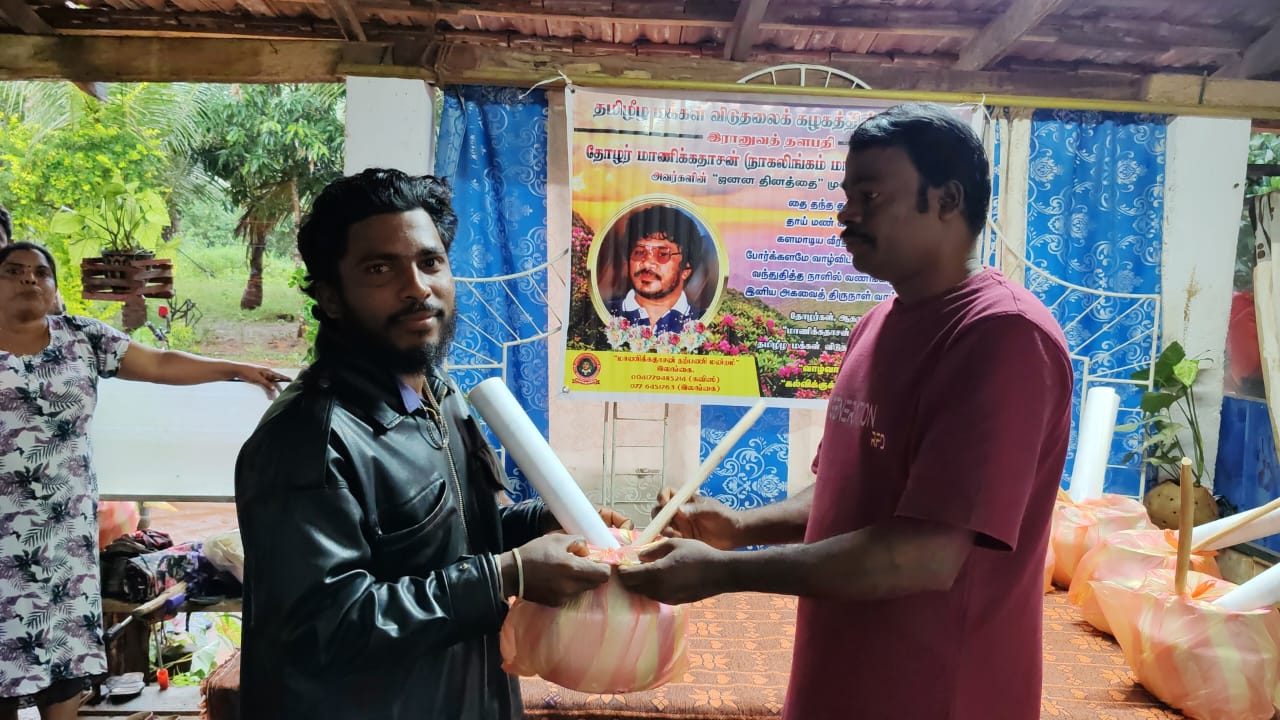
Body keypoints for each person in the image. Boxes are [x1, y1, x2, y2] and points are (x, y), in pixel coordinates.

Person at [618, 103, 1074, 720]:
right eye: (846, 194)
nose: (846, 213)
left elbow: (924, 554)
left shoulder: (1002, 338)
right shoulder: (877, 324)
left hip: (937, 692)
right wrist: (739, 529)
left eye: (871, 195)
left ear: (946, 200)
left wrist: (722, 574)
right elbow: (844, 489)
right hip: (842, 674)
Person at [235, 168, 621, 720]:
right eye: (379, 268)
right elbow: (324, 627)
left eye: (430, 262)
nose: (417, 287)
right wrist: (506, 575)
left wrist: (545, 523)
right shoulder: (308, 440)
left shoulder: (439, 394)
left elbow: (451, 534)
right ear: (331, 297)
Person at [0, 241, 288, 720]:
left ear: (53, 288)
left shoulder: (81, 337)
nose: (29, 278)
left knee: (63, 666)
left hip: (62, 541)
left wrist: (237, 369)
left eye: (40, 272)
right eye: (13, 270)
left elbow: (160, 363)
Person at [603, 204, 706, 332]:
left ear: (686, 269)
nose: (647, 264)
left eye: (662, 254)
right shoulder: (603, 314)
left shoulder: (703, 323)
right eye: (639, 252)